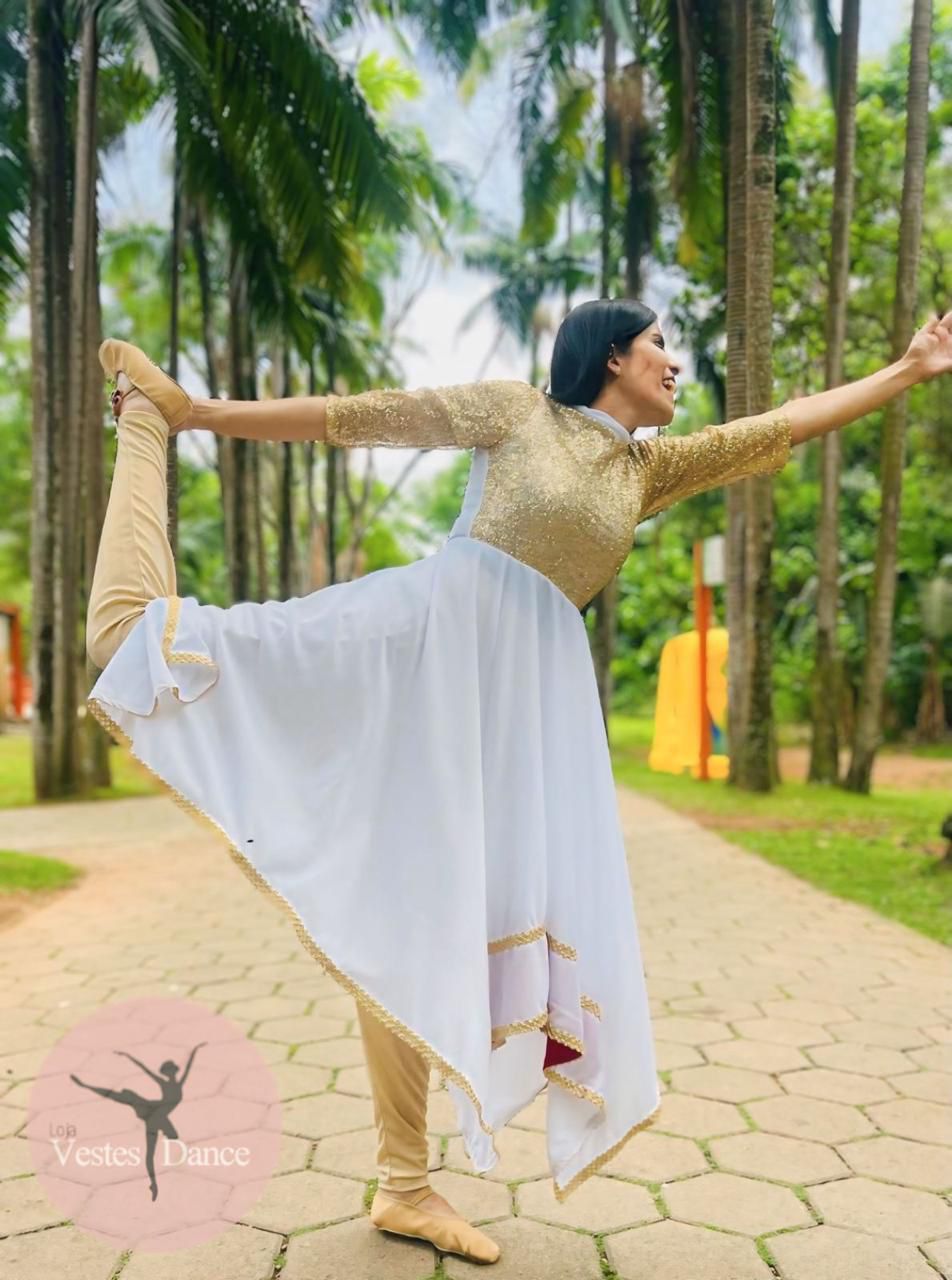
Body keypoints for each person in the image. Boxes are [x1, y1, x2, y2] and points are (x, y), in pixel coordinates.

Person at [85, 299, 951, 1265]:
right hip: (418, 654)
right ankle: (143, 425)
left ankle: (404, 1186)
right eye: (658, 344)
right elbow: (360, 417)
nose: (674, 363)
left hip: (509, 714)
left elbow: (784, 424)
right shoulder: (516, 412)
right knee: (132, 644)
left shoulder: (646, 471)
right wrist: (194, 413)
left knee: (416, 922)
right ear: (611, 355)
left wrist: (909, 368)